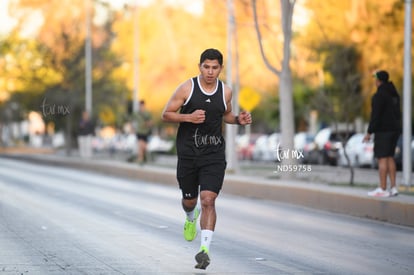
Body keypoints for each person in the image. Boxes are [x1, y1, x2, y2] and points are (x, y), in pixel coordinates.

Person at [161, 48, 252, 270]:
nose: (210, 72)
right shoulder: (187, 88)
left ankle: (204, 251)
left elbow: (226, 115)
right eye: (206, 67)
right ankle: (191, 217)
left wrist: (238, 120)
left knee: (208, 200)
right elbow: (166, 114)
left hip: (213, 153)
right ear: (200, 66)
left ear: (220, 68)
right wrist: (188, 117)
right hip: (188, 153)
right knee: (189, 201)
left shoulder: (226, 92)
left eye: (215, 68)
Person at [363, 70, 401, 197]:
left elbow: (376, 116)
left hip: (383, 131)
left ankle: (383, 188)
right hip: (394, 130)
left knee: (382, 158)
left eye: (375, 79)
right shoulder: (394, 94)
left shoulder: (379, 96)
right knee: (390, 157)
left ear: (379, 81)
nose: (374, 81)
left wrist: (369, 132)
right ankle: (393, 187)